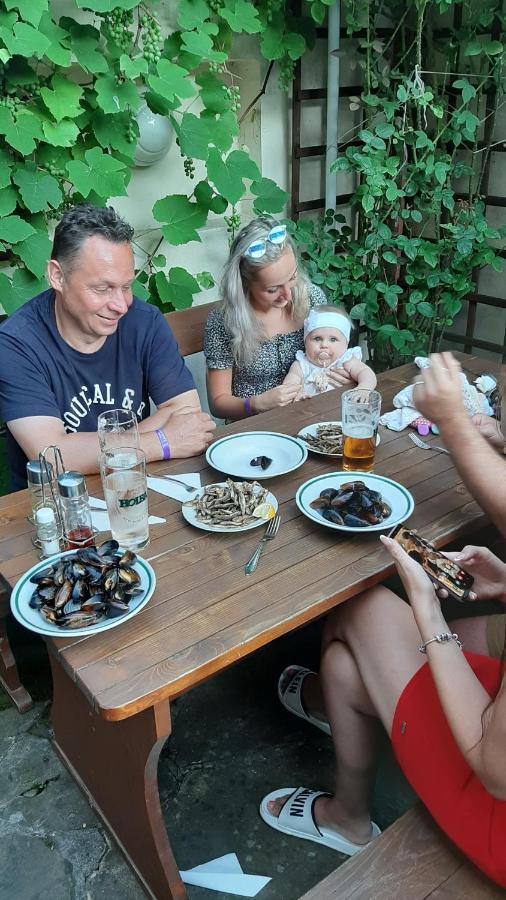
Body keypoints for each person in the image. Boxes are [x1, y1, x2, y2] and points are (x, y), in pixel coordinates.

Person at [261, 538, 506, 887]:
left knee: (361, 608)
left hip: (494, 804)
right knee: (342, 669)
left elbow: (496, 772)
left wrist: (430, 615)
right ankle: (344, 725)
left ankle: (348, 819)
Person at [0, 204, 216, 490]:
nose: (121, 305)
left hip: (135, 485)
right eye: (102, 289)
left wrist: (90, 452)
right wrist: (161, 440)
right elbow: (53, 457)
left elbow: (187, 416)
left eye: (126, 287)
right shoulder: (16, 343)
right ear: (57, 276)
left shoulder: (144, 322)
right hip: (57, 502)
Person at [204, 217, 338, 420]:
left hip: (311, 416)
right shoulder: (225, 322)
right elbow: (218, 403)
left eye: (292, 278)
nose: (288, 296)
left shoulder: (312, 299)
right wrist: (255, 404)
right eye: (273, 289)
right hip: (254, 426)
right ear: (245, 282)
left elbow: (332, 357)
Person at [282, 305, 376, 398]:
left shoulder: (345, 360)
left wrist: (363, 388)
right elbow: (290, 383)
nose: (324, 345)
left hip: (340, 405)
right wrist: (296, 393)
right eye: (317, 338)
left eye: (333, 339)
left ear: (346, 344)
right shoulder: (302, 365)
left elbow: (366, 373)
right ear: (305, 342)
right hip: (308, 406)